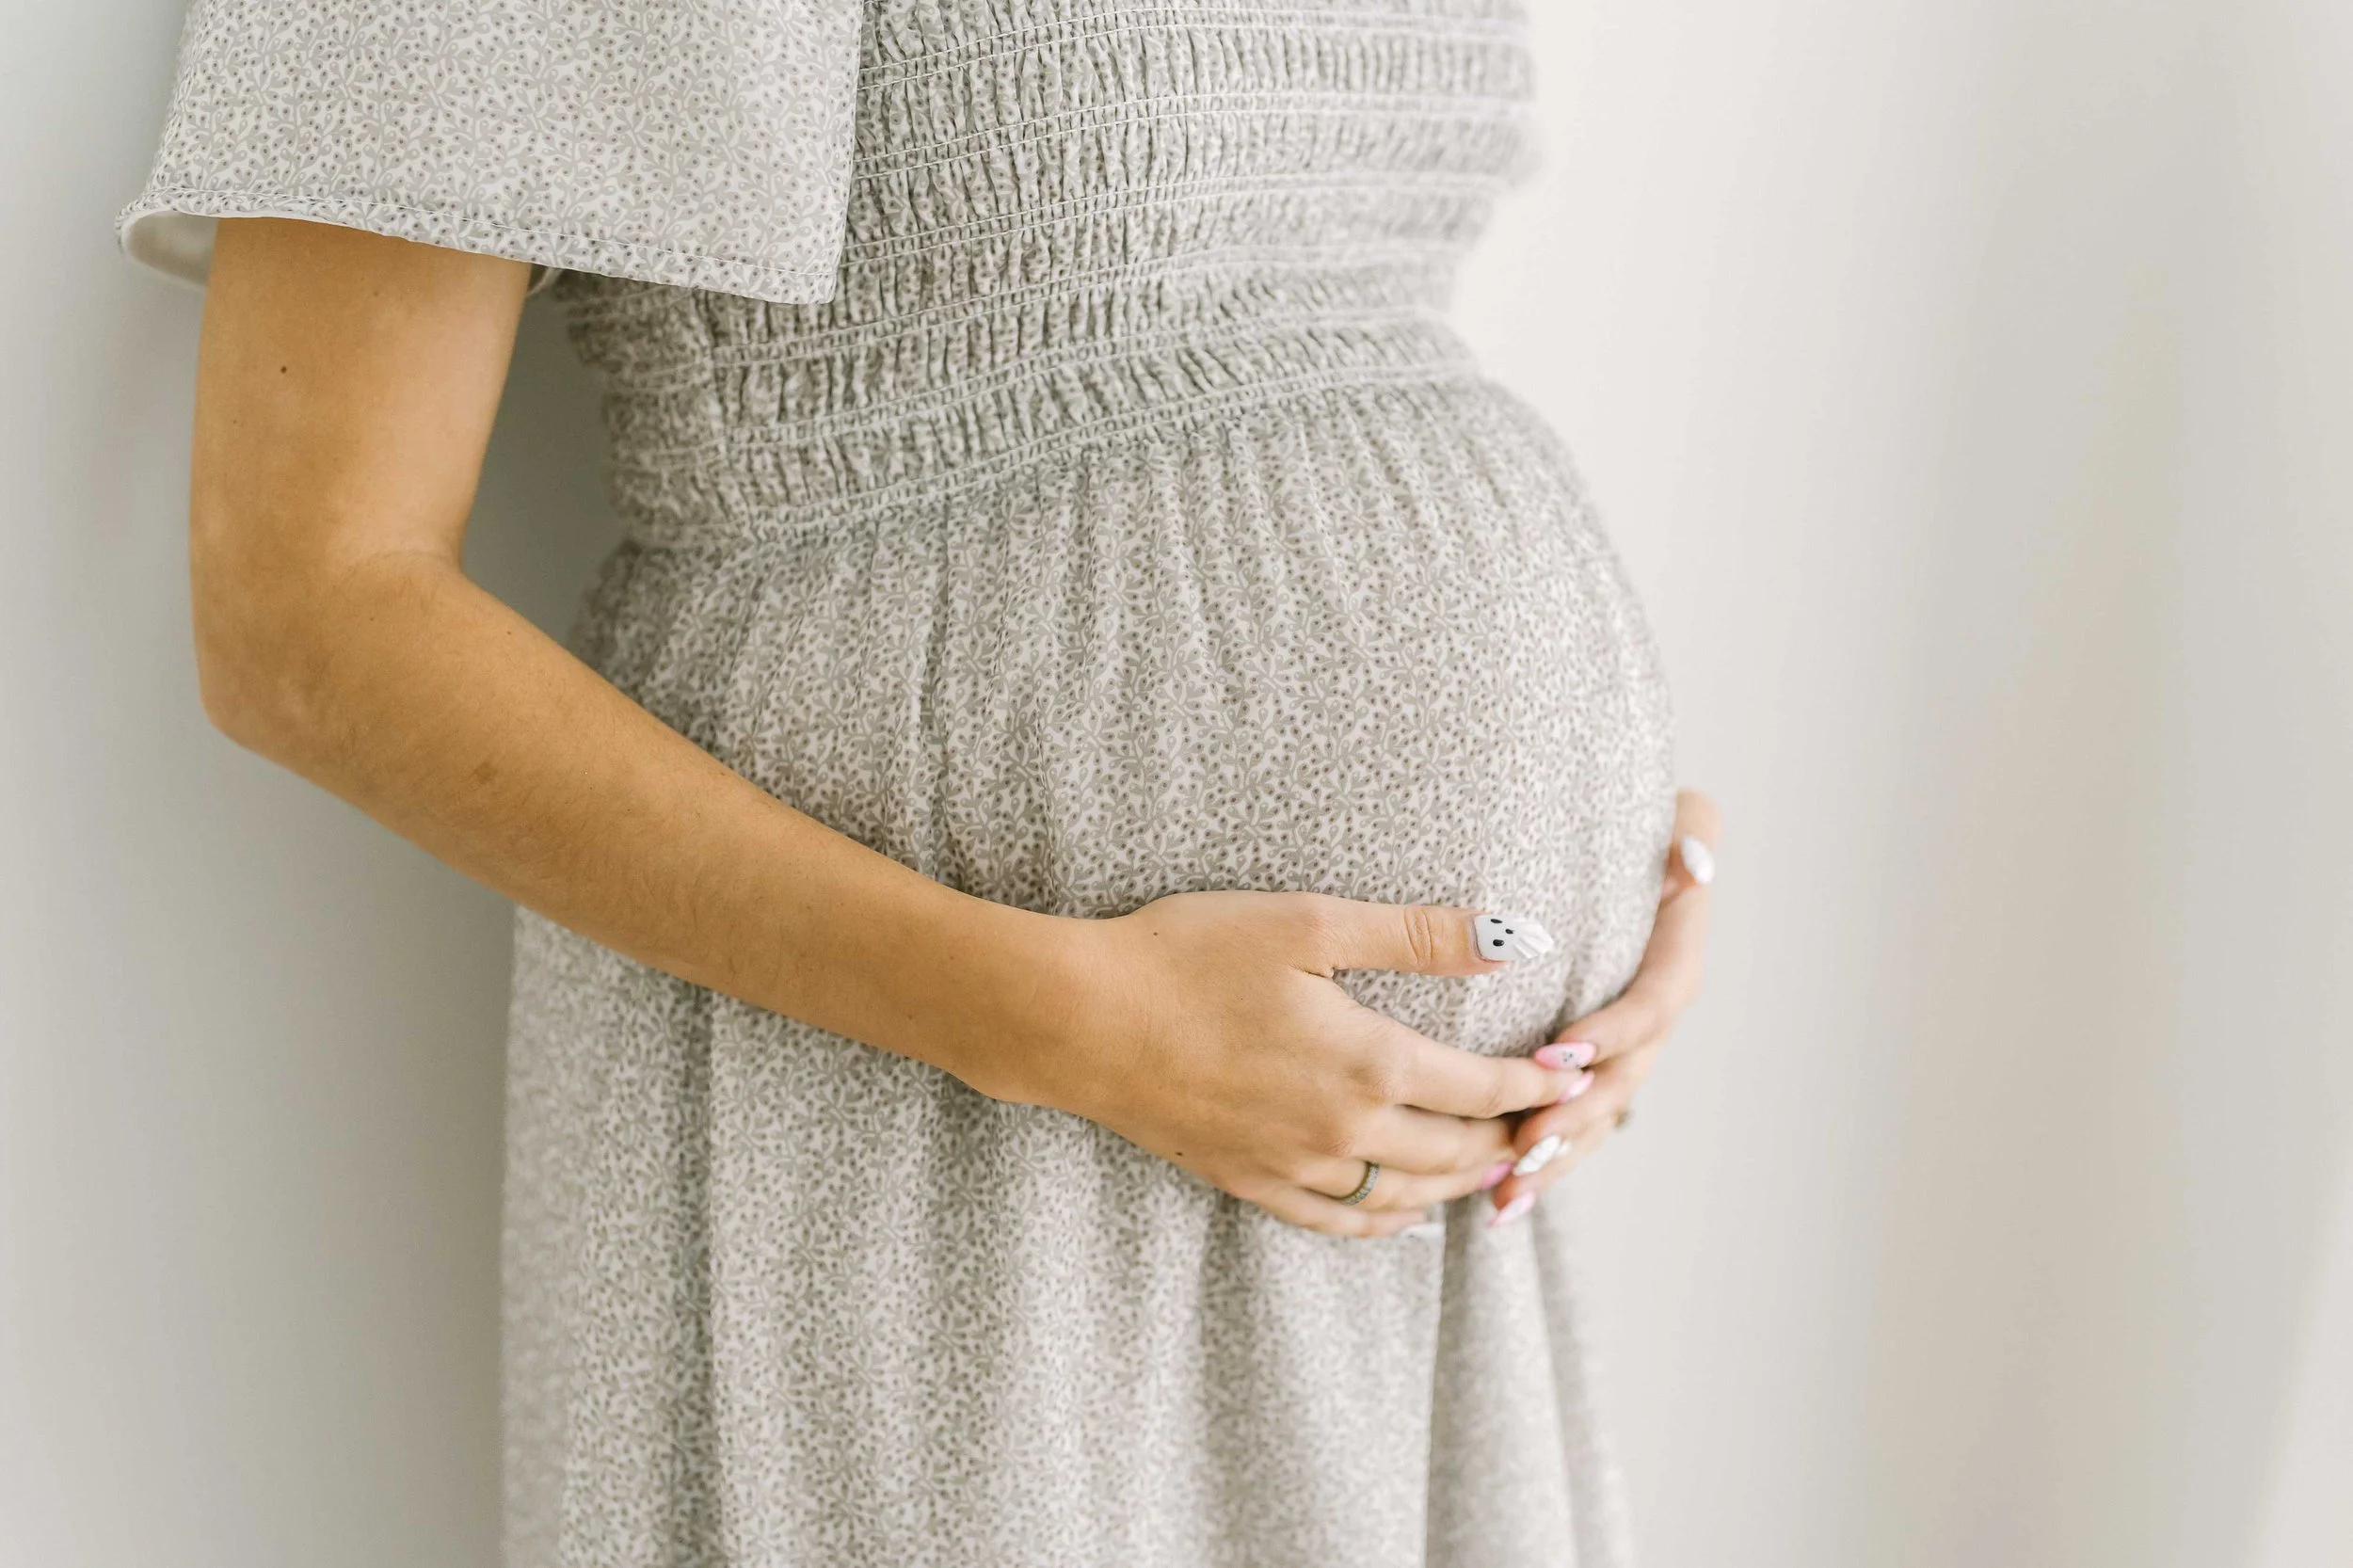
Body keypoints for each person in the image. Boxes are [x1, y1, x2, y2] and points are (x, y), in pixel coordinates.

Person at [120, 0, 1720, 1561]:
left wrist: (1607, 876)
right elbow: (301, 609)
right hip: (934, 1119)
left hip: (1395, 1222)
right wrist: (1079, 1024)